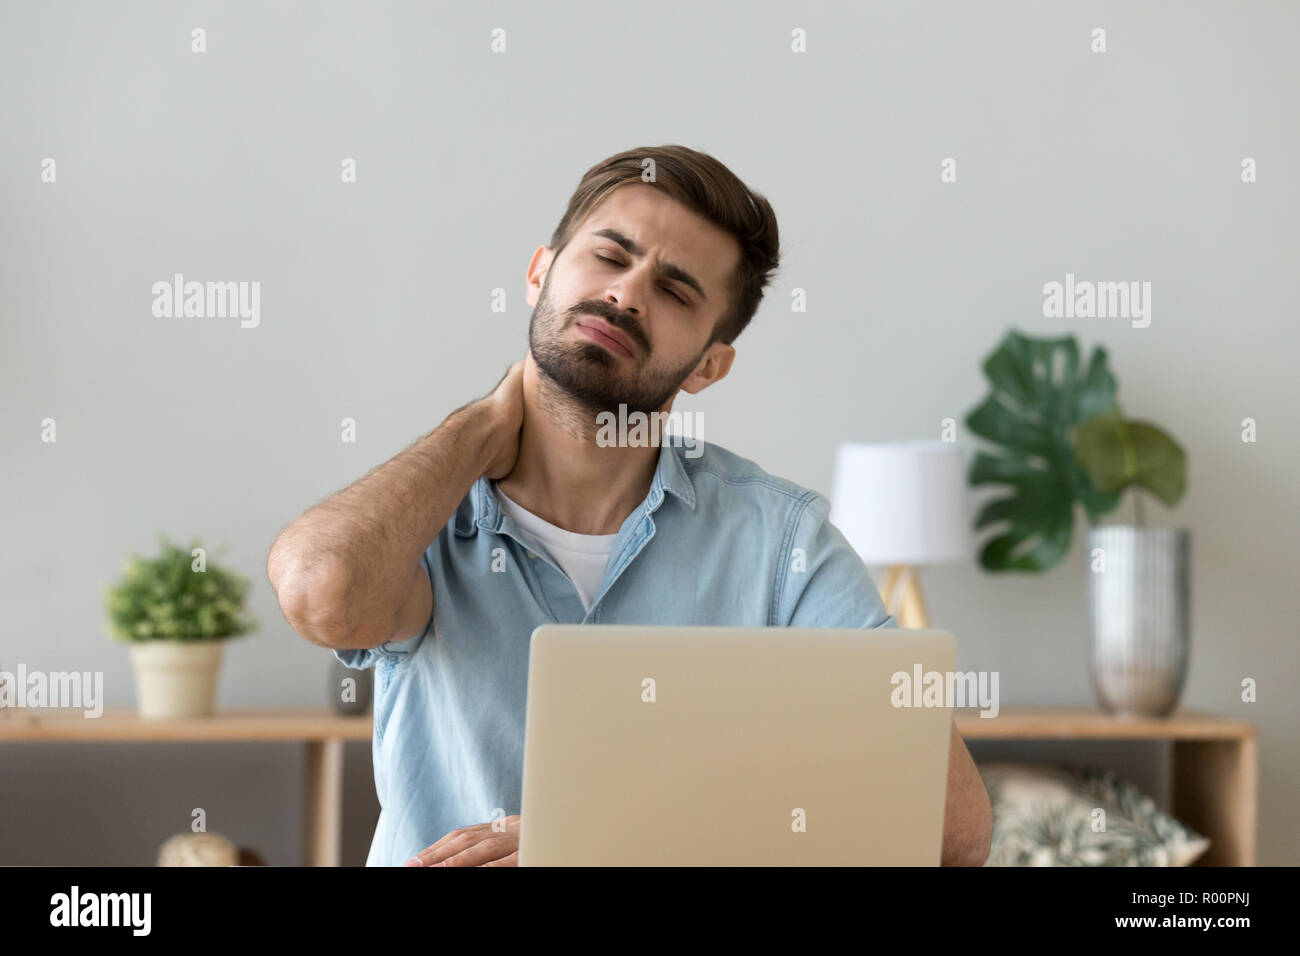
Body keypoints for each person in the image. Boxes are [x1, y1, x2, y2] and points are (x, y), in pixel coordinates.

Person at [267, 145, 992, 867]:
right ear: (539, 271)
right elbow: (318, 589)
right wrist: (482, 425)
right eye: (610, 256)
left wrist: (618, 847)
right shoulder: (424, 516)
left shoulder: (779, 542)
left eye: (675, 291)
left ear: (709, 365)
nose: (626, 295)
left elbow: (953, 829)